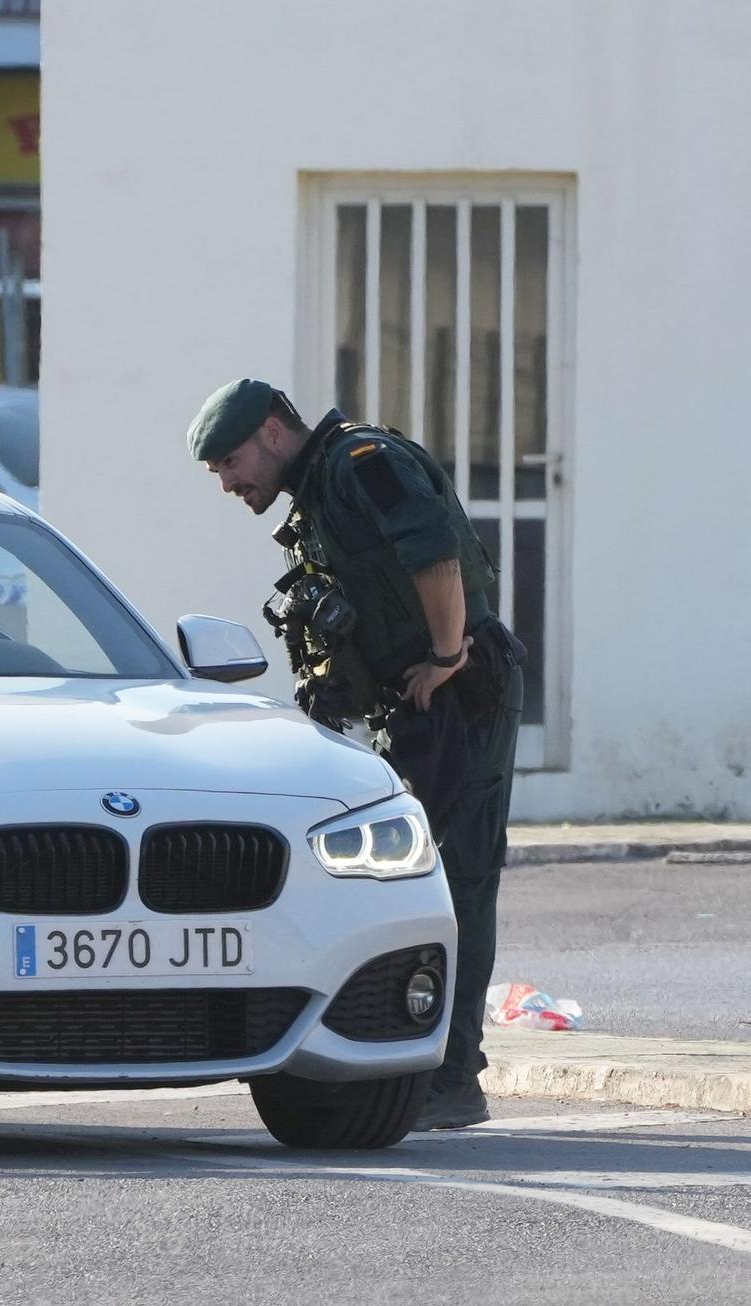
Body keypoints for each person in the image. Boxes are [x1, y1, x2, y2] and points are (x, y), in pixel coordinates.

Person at [189, 379, 525, 1133]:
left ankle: (450, 1076)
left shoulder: (361, 462)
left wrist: (446, 655)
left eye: (231, 462)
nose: (228, 483)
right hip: (410, 704)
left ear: (274, 432)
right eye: (216, 471)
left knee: (452, 880)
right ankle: (388, 1053)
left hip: (457, 694)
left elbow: (433, 550)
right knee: (393, 882)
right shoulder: (316, 493)